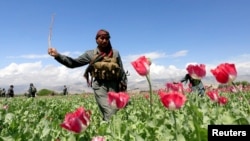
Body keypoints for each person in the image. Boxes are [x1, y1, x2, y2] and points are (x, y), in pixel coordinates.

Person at [48, 29, 128, 121]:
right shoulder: (90, 54)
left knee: (116, 112)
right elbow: (73, 63)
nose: (105, 40)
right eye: (102, 38)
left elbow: (121, 71)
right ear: (96, 40)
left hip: (114, 86)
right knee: (110, 112)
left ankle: (106, 131)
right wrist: (58, 56)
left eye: (107, 38)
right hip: (100, 87)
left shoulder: (115, 53)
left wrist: (123, 88)